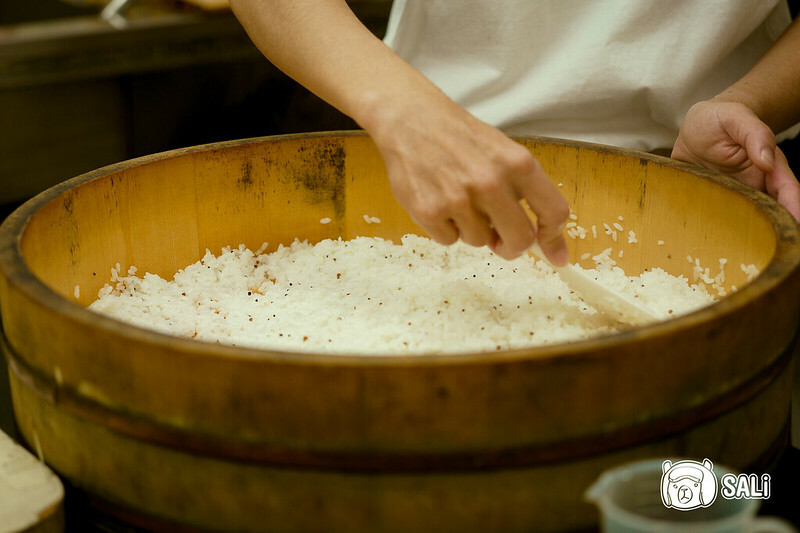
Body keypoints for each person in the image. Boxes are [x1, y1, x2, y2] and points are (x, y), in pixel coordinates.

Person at [229, 0, 800, 266]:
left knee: (701, 491)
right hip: (431, 186)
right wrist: (405, 113)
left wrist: (748, 100)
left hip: (711, 177)